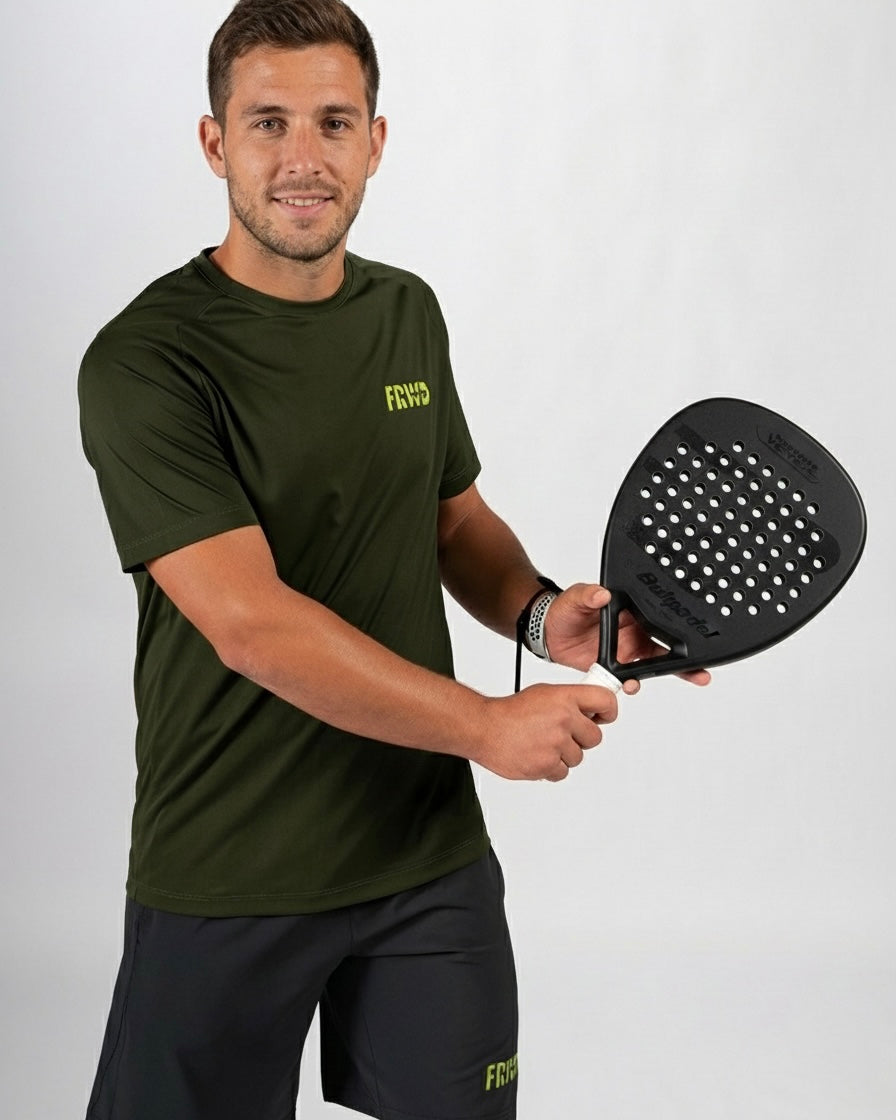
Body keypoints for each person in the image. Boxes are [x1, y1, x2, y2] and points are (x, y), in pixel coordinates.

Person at [79, 2, 708, 1118]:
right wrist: (484, 725)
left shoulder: (404, 313)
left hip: (423, 861)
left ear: (376, 139)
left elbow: (449, 518)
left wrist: (539, 612)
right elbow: (249, 623)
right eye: (267, 123)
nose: (303, 158)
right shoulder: (148, 360)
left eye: (334, 120)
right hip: (230, 865)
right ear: (214, 143)